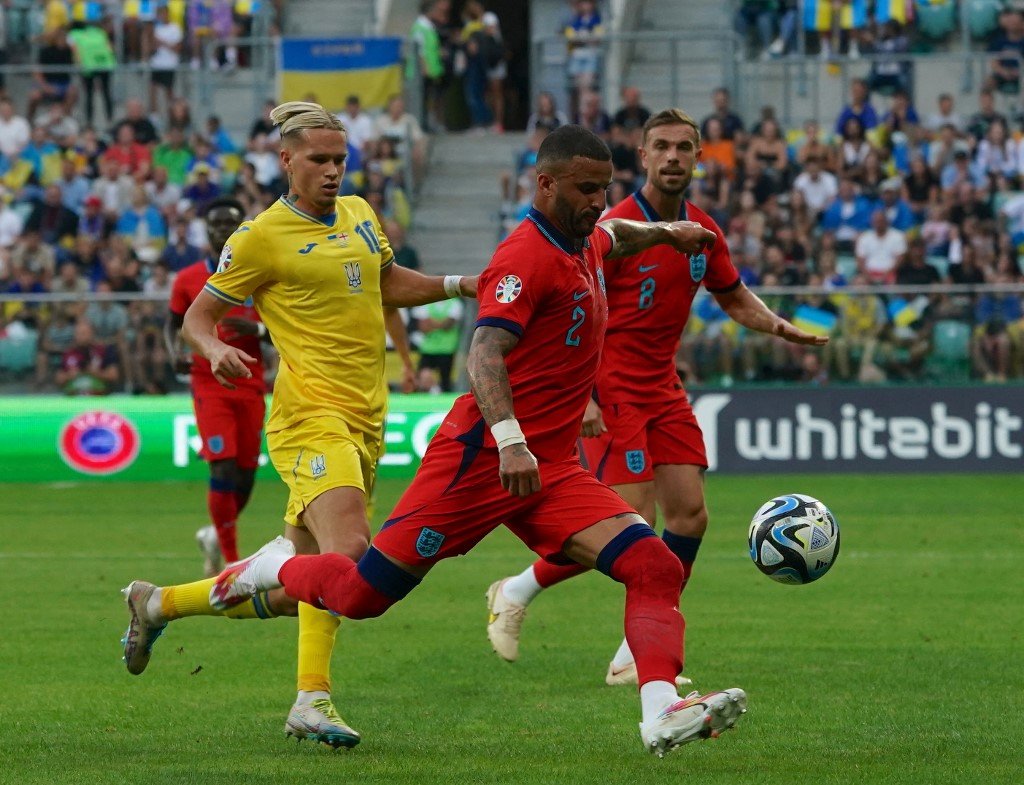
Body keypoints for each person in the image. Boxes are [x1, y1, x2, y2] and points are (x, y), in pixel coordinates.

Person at [201, 124, 750, 757]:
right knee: (359, 595)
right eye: (584, 190)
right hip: (480, 460)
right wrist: (511, 439)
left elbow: (619, 234)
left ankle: (660, 712)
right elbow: (484, 352)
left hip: (550, 472)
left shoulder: (585, 239)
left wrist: (668, 232)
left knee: (653, 562)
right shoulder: (525, 257)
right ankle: (276, 566)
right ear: (545, 184)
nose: (598, 202)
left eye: (604, 189)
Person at [120, 101, 478, 748]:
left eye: (341, 159)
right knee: (348, 557)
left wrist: (461, 284)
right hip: (309, 416)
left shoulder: (362, 215)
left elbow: (386, 281)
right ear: (286, 160)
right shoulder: (261, 236)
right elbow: (196, 318)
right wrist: (218, 348)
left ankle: (160, 603)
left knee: (300, 578)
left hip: (366, 415)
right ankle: (311, 696)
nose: (334, 171)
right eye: (319, 159)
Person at [483, 109, 827, 681]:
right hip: (611, 388)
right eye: (661, 147)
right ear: (642, 156)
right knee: (631, 524)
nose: (672, 157)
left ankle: (628, 654)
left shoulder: (702, 233)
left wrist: (778, 326)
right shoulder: (611, 230)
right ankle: (517, 589)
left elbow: (734, 295)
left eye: (684, 148)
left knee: (689, 517)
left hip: (664, 387)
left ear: (698, 157)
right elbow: (576, 311)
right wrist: (585, 395)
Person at [165, 197, 265, 575]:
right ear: (206, 230)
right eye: (216, 224)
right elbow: (173, 323)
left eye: (230, 224)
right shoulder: (188, 278)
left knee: (245, 475)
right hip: (208, 381)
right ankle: (231, 561)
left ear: (242, 229)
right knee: (222, 468)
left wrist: (257, 330)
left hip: (252, 381)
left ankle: (215, 533)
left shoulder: (260, 272)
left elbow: (286, 327)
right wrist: (174, 350)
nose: (222, 230)